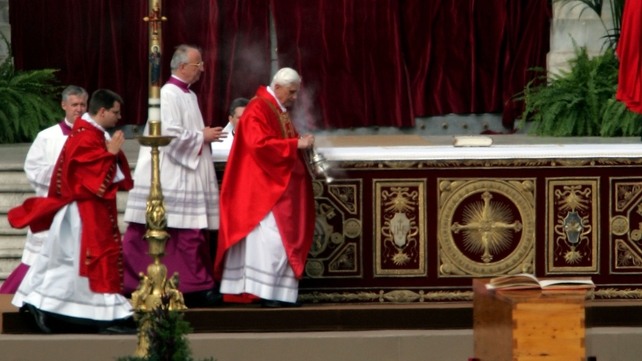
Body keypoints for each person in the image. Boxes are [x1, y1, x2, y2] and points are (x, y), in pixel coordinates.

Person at [9, 89, 134, 334]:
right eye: (116, 112)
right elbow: (86, 178)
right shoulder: (85, 135)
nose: (119, 117)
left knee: (70, 266)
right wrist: (109, 154)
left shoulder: (93, 132)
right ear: (102, 111)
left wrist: (110, 155)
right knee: (78, 262)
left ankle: (101, 313)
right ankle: (40, 305)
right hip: (82, 214)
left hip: (90, 211)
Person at [123, 44, 225, 308]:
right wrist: (202, 135)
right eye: (198, 64)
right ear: (182, 67)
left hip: (186, 170)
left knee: (191, 231)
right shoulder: (167, 94)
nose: (202, 69)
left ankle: (195, 284)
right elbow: (168, 134)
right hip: (170, 174)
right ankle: (187, 285)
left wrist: (201, 134)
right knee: (181, 232)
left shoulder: (187, 94)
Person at [214, 67, 316, 308]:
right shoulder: (257, 108)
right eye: (291, 92)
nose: (294, 97)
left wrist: (301, 142)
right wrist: (295, 144)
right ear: (278, 87)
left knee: (276, 240)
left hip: (274, 185)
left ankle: (279, 292)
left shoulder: (276, 109)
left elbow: (282, 139)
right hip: (262, 188)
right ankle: (267, 292)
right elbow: (260, 145)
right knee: (272, 240)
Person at [0, 85, 88, 294]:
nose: (79, 109)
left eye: (83, 104)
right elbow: (33, 169)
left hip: (81, 209)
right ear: (63, 105)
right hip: (53, 208)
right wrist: (63, 176)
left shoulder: (95, 137)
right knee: (38, 261)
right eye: (74, 104)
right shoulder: (47, 137)